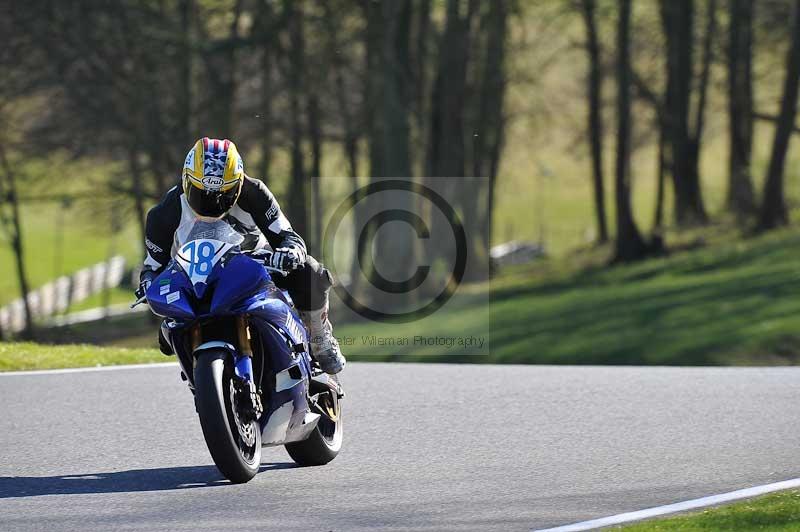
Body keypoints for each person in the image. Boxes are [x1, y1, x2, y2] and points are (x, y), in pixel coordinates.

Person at [136, 137, 345, 374]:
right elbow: (153, 266)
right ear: (186, 181)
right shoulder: (164, 213)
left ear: (237, 183)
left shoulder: (254, 192)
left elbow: (288, 236)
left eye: (222, 194)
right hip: (198, 280)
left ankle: (319, 338)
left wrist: (289, 253)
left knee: (311, 271)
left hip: (256, 270)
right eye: (200, 193)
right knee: (167, 333)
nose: (211, 203)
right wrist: (147, 284)